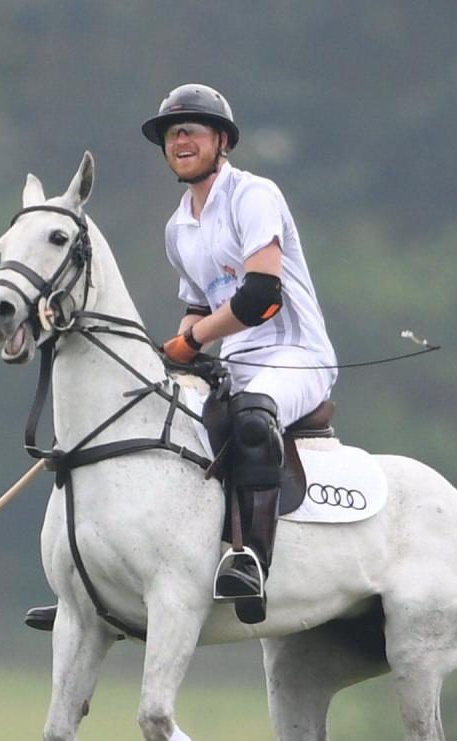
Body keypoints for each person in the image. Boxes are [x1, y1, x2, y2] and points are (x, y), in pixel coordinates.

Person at [148, 83, 338, 623]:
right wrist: (181, 349)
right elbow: (196, 305)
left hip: (298, 354)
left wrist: (193, 339)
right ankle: (121, 573)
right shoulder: (176, 228)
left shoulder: (254, 195)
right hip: (235, 363)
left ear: (222, 141)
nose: (179, 140)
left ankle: (251, 559)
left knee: (252, 414)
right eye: (171, 133)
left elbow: (260, 297)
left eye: (191, 130)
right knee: (156, 420)